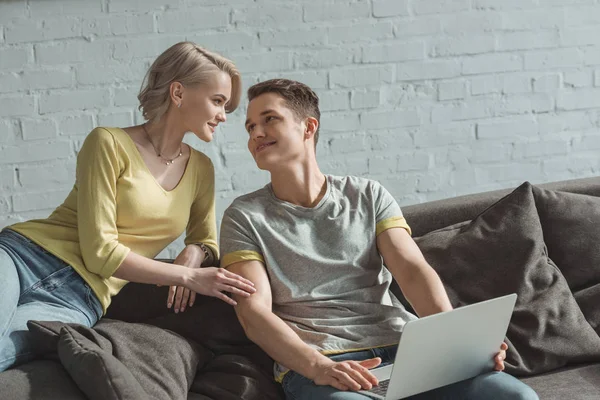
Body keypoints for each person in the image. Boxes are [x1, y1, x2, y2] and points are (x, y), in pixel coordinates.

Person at [219, 79, 539, 399]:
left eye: (269, 119)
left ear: (308, 127)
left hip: (407, 349)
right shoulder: (244, 217)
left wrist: (457, 345)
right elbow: (253, 313)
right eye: (250, 127)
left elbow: (412, 270)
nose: (256, 133)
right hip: (324, 363)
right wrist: (318, 367)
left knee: (518, 398)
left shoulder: (368, 195)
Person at [0, 41, 256, 373]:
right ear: (178, 93)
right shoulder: (108, 143)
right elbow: (100, 253)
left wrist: (195, 252)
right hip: (23, 257)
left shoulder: (201, 169)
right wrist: (189, 275)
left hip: (81, 297)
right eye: (218, 101)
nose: (223, 116)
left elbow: (206, 240)